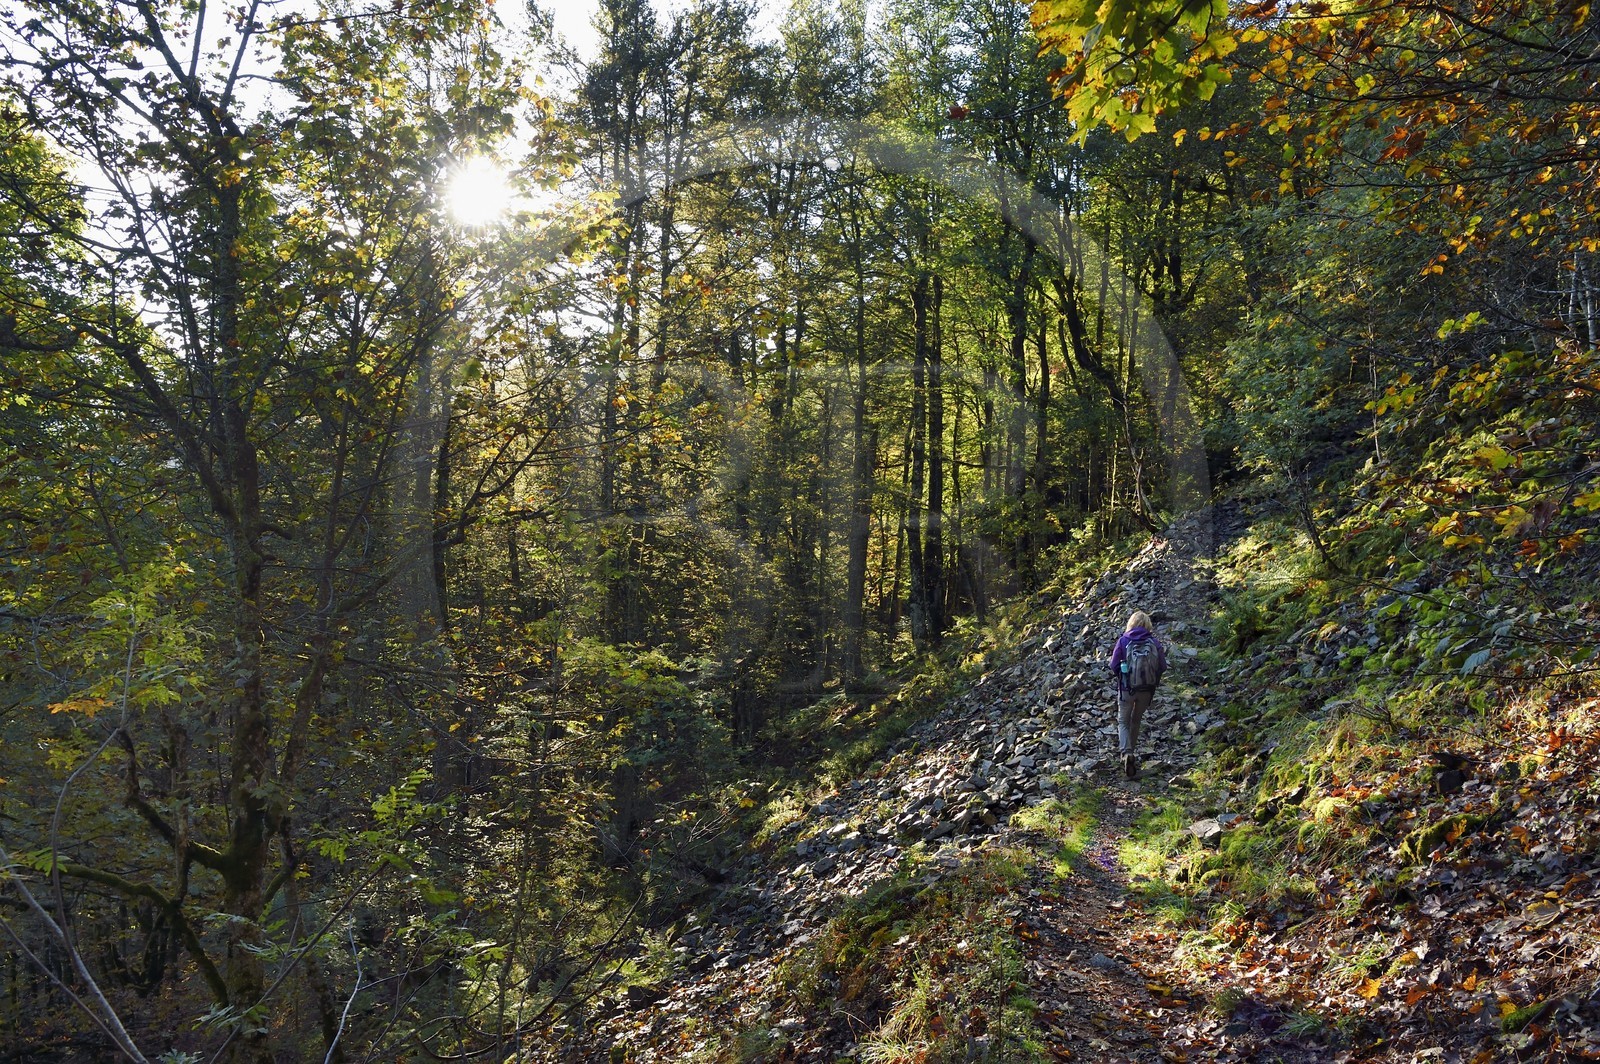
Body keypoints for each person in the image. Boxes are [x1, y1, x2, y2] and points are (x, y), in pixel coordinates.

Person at [1108, 610, 1166, 779]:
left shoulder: (1123, 640)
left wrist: (1123, 675)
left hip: (1127, 689)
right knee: (1136, 720)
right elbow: (1162, 666)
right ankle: (1131, 752)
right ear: (1148, 625)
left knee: (1123, 721)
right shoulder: (1154, 642)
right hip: (1146, 690)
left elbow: (1113, 665)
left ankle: (1126, 754)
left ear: (1131, 624)